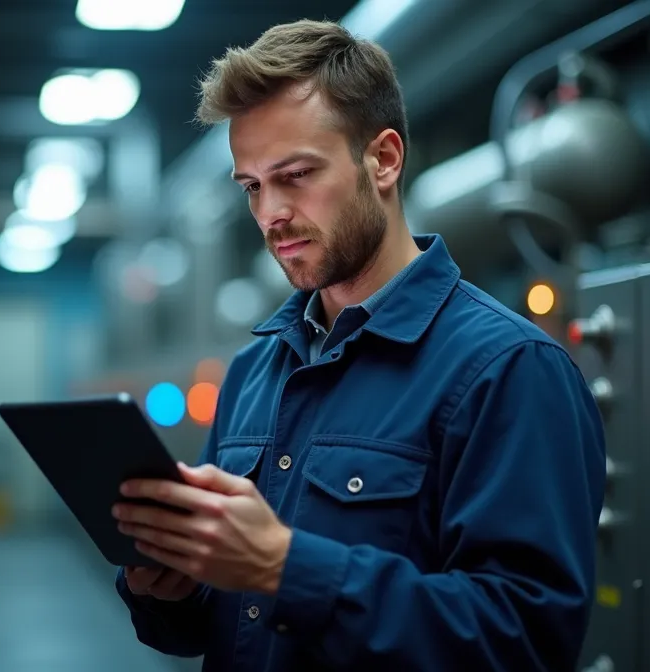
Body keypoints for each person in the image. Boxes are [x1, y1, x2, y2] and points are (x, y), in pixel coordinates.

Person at [110, 19, 607, 672]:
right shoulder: (256, 370)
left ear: (384, 159)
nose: (270, 214)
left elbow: (524, 642)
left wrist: (288, 567)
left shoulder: (508, 370)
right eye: (253, 186)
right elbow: (222, 625)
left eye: (295, 175)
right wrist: (169, 591)